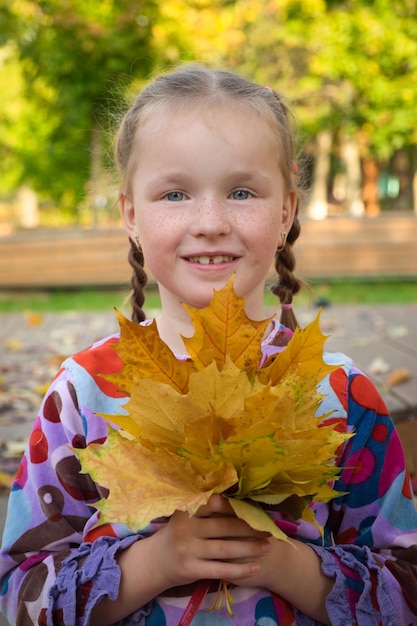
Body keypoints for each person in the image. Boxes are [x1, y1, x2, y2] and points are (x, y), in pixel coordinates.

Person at [1, 64, 417, 626]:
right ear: (130, 214)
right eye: (175, 193)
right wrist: (154, 563)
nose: (211, 222)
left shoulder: (338, 395)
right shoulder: (84, 393)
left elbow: (406, 589)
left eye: (242, 192)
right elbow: (17, 596)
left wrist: (284, 564)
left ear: (287, 210)